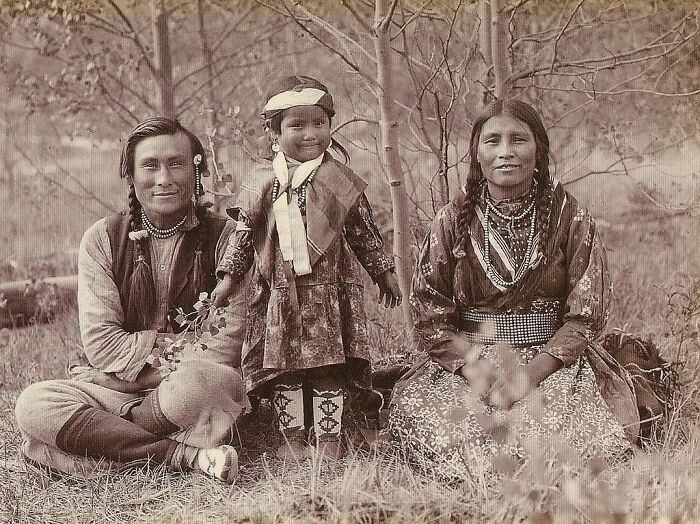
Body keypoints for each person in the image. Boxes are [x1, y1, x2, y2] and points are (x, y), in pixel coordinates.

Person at [388, 99, 641, 479]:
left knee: (555, 441)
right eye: (493, 141)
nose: (505, 152)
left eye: (518, 139)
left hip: (552, 362)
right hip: (468, 364)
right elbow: (429, 316)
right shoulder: (452, 220)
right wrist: (481, 374)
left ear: (538, 149)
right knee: (452, 437)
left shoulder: (569, 217)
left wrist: (527, 377)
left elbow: (586, 316)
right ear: (476, 154)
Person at [14, 117, 250, 482]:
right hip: (115, 394)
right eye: (150, 166)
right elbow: (103, 346)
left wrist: (127, 382)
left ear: (196, 168)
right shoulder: (101, 239)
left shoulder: (230, 240)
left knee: (206, 381)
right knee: (34, 403)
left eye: (176, 163)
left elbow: (222, 348)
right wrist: (141, 373)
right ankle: (185, 456)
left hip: (181, 393)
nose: (164, 178)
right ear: (131, 174)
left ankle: (87, 447)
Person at [211, 75, 402, 459]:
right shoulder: (263, 181)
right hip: (278, 297)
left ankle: (328, 440)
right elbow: (244, 235)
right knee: (286, 370)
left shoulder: (338, 180)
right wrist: (229, 278)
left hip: (328, 296)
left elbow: (363, 232)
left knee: (327, 367)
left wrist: (384, 272)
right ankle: (293, 440)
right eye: (297, 125)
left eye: (319, 123)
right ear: (274, 132)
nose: (311, 134)